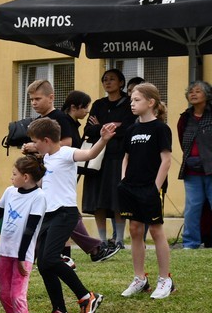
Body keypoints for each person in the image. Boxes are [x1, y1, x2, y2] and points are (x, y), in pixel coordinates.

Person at [26, 117, 114, 313]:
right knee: (44, 265)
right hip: (47, 215)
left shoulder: (66, 153)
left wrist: (103, 139)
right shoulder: (44, 159)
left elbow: (90, 154)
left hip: (65, 213)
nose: (34, 145)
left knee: (50, 259)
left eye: (36, 141)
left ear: (46, 140)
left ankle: (87, 297)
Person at [23, 80, 118, 265]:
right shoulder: (39, 121)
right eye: (31, 100)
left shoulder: (60, 118)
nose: (34, 103)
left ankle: (92, 249)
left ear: (51, 98)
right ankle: (62, 253)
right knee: (50, 213)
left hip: (60, 173)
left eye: (37, 98)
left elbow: (66, 144)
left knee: (62, 212)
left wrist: (35, 148)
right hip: (46, 174)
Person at [120, 83, 176, 299]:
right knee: (134, 229)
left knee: (155, 230)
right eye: (131, 100)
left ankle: (165, 279)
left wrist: (155, 188)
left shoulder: (161, 128)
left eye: (136, 100)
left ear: (150, 102)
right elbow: (126, 157)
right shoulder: (132, 129)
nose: (132, 104)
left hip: (151, 187)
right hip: (131, 187)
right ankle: (140, 278)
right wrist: (123, 180)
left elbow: (166, 160)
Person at [0, 155, 47, 313]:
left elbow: (30, 229)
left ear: (26, 177)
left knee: (17, 296)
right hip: (5, 252)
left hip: (22, 256)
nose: (11, 177)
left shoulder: (38, 197)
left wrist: (22, 257)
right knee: (5, 296)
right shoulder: (9, 192)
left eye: (14, 174)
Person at [83, 69, 131, 249]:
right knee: (98, 200)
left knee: (117, 199)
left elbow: (128, 129)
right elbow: (88, 130)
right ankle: (102, 240)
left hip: (119, 157)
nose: (107, 82)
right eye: (104, 80)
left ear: (121, 82)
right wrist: (111, 126)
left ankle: (119, 239)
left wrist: (101, 127)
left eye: (112, 79)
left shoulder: (128, 104)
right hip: (97, 157)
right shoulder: (98, 104)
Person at [176, 80, 212, 249]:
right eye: (191, 91)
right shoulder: (185, 118)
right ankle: (190, 243)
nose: (193, 94)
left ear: (207, 95)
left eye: (198, 91)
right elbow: (182, 141)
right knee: (192, 208)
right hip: (192, 170)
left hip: (211, 169)